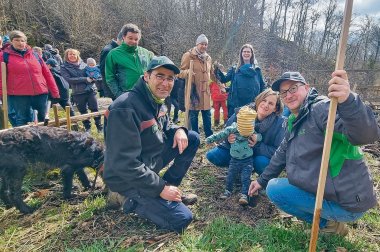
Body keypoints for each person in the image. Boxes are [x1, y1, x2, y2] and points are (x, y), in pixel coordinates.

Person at [248, 71, 380, 236]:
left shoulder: (322, 109)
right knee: (273, 185)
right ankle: (327, 218)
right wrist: (261, 181)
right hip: (327, 192)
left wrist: (348, 101)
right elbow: (282, 152)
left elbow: (365, 135)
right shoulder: (294, 119)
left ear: (307, 88)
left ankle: (329, 225)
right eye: (284, 92)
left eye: (293, 88)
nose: (289, 95)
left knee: (276, 190)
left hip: (346, 202)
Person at [104, 56, 200, 233]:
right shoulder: (125, 108)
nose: (165, 83)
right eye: (160, 76)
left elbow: (166, 124)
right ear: (147, 76)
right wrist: (160, 188)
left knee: (191, 137)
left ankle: (169, 189)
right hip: (125, 177)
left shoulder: (156, 101)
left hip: (148, 163)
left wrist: (178, 129)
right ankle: (122, 197)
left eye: (170, 78)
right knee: (181, 218)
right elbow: (124, 163)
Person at [206, 89, 285, 175]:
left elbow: (278, 150)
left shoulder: (280, 123)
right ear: (258, 100)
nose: (266, 105)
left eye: (271, 103)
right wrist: (228, 138)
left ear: (275, 108)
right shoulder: (243, 111)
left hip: (258, 156)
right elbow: (226, 131)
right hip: (237, 149)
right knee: (213, 155)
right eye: (264, 100)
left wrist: (257, 145)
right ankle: (237, 168)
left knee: (262, 163)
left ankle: (253, 170)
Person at [0, 30, 59, 126]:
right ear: (11, 41)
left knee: (43, 118)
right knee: (23, 119)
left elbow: (47, 73)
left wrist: (55, 91)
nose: (20, 43)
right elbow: (1, 77)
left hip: (40, 92)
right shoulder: (4, 56)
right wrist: (2, 94)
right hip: (19, 95)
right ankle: (25, 140)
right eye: (17, 40)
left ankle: (43, 139)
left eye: (22, 40)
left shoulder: (35, 55)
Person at [206, 106, 258, 205]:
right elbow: (221, 134)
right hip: (234, 159)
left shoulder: (252, 130)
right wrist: (210, 139)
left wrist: (257, 137)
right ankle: (228, 191)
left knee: (246, 177)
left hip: (248, 160)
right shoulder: (232, 129)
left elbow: (259, 136)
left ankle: (244, 195)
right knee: (230, 176)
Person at [214, 44, 266, 118]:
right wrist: (217, 70)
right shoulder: (235, 69)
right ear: (241, 54)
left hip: (251, 105)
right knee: (233, 126)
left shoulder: (257, 70)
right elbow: (224, 79)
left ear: (252, 54)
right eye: (244, 51)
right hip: (235, 104)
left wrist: (263, 100)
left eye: (248, 52)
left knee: (247, 126)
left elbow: (262, 86)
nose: (246, 53)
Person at [105, 23, 154, 99]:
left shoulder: (146, 53)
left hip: (147, 94)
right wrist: (119, 95)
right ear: (124, 37)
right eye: (130, 38)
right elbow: (110, 78)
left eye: (136, 39)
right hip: (127, 95)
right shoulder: (113, 54)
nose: (133, 41)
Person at [178, 34, 215, 137]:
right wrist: (187, 72)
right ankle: (195, 136)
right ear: (197, 44)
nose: (204, 46)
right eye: (202, 44)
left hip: (206, 92)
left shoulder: (208, 58)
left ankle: (209, 136)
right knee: (194, 116)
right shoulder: (188, 55)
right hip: (194, 91)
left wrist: (219, 82)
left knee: (207, 114)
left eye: (206, 44)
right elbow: (179, 72)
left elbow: (211, 73)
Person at [60, 48, 102, 132]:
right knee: (83, 111)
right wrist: (85, 79)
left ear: (77, 55)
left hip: (90, 90)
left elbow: (92, 72)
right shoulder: (64, 67)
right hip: (77, 92)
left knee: (95, 108)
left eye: (74, 54)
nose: (72, 56)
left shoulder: (84, 64)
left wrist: (95, 76)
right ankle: (88, 128)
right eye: (70, 54)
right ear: (67, 56)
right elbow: (69, 79)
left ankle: (99, 127)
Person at [99, 30, 123, 100]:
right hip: (113, 88)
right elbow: (104, 71)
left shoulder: (118, 49)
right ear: (122, 39)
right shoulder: (109, 50)